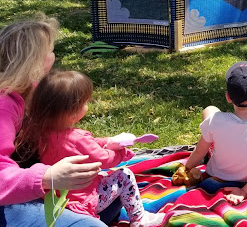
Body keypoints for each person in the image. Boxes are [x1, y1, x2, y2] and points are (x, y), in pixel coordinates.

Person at [14, 70, 165, 227]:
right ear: (72, 112)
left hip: (58, 198)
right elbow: (104, 159)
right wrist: (121, 153)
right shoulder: (77, 138)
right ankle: (139, 219)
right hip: (83, 200)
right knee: (124, 176)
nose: (87, 105)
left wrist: (108, 141)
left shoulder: (39, 133)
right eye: (85, 102)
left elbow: (90, 144)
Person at [0, 15, 106, 227]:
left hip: (26, 191)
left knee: (105, 201)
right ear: (34, 62)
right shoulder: (4, 106)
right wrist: (47, 177)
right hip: (7, 203)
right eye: (50, 50)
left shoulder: (32, 92)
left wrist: (101, 144)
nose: (54, 55)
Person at [178, 61, 247, 205]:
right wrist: (245, 191)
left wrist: (186, 168)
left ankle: (211, 135)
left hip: (216, 173)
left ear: (228, 97)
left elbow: (200, 151)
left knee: (210, 110)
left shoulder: (216, 120)